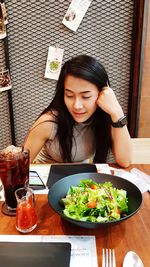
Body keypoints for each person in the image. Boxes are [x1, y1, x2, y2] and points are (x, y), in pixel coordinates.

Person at [24, 55, 132, 167]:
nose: (77, 105)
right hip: (46, 177)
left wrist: (117, 112)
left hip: (78, 178)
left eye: (85, 96)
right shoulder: (48, 123)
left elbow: (125, 161)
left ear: (102, 94)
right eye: (69, 95)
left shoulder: (105, 117)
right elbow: (21, 166)